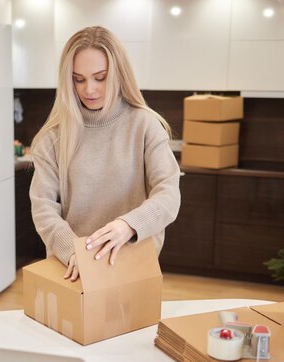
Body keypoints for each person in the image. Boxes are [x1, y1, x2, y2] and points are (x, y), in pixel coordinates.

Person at [29, 26, 180, 281]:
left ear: (118, 73)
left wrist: (128, 225)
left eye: (100, 77)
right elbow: (43, 208)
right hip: (71, 270)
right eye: (79, 79)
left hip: (131, 266)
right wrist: (74, 251)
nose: (89, 89)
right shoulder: (53, 137)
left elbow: (168, 194)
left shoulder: (145, 125)